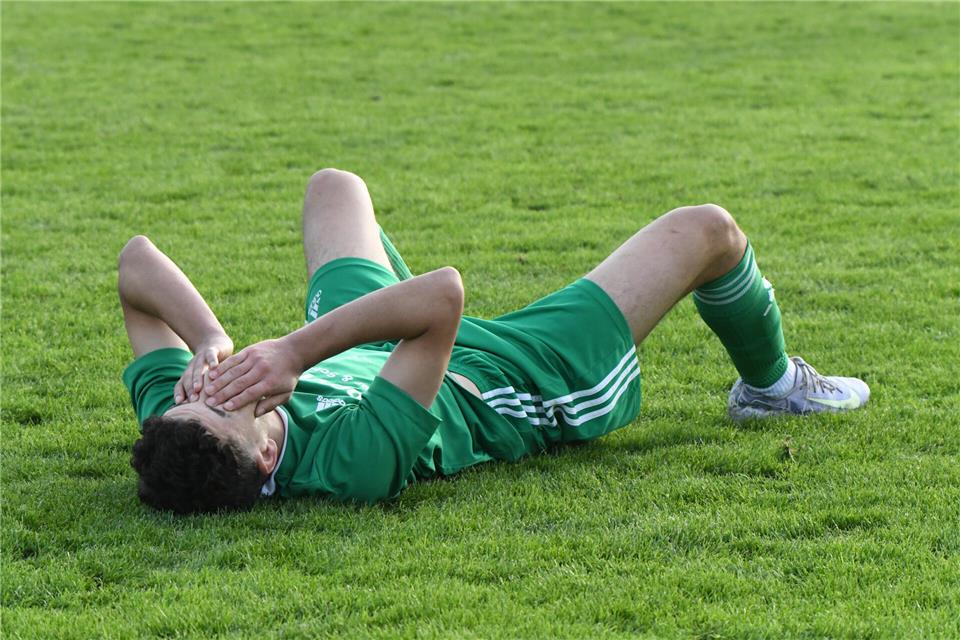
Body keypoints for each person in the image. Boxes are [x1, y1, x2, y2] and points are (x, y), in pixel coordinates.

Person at [120, 169, 869, 514]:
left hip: (375, 349)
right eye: (226, 402)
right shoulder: (352, 466)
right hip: (516, 376)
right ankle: (771, 388)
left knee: (333, 188)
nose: (216, 386)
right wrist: (292, 353)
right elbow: (443, 297)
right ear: (267, 455)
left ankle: (363, 306)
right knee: (708, 230)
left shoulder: (181, 422)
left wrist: (208, 339)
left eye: (198, 395)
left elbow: (136, 266)